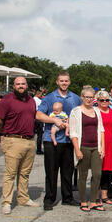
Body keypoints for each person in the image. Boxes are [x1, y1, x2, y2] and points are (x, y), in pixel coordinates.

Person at [0, 77, 41, 215]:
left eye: (23, 84)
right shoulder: (7, 100)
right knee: (10, 173)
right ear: (13, 86)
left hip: (29, 140)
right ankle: (6, 202)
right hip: (13, 140)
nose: (21, 86)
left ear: (27, 85)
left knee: (25, 173)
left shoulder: (31, 100)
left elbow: (34, 116)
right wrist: (6, 131)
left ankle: (23, 198)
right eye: (18, 84)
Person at [36, 72, 82, 211]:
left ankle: (67, 197)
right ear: (57, 82)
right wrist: (54, 120)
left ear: (69, 82)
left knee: (68, 172)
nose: (64, 83)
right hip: (51, 140)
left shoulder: (75, 98)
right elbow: (38, 115)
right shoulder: (50, 98)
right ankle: (49, 198)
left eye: (66, 81)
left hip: (68, 140)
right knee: (51, 171)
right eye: (61, 81)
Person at [69, 87, 105, 212]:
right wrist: (77, 150)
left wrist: (102, 147)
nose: (89, 99)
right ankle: (84, 200)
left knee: (97, 174)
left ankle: (93, 201)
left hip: (96, 147)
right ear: (82, 97)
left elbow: (101, 129)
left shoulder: (97, 110)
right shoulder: (76, 111)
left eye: (91, 97)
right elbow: (73, 133)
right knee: (83, 175)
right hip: (83, 147)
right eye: (86, 97)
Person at [94, 91, 112, 205]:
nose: (104, 102)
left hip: (110, 144)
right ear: (97, 101)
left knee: (107, 171)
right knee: (97, 171)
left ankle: (104, 195)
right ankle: (96, 196)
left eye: (107, 100)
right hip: (98, 144)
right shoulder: (94, 112)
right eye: (101, 100)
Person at [33, 90, 44, 155]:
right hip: (39, 119)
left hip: (32, 118)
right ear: (38, 94)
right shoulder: (40, 101)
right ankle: (39, 149)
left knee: (32, 134)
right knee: (39, 135)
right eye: (41, 94)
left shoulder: (31, 100)